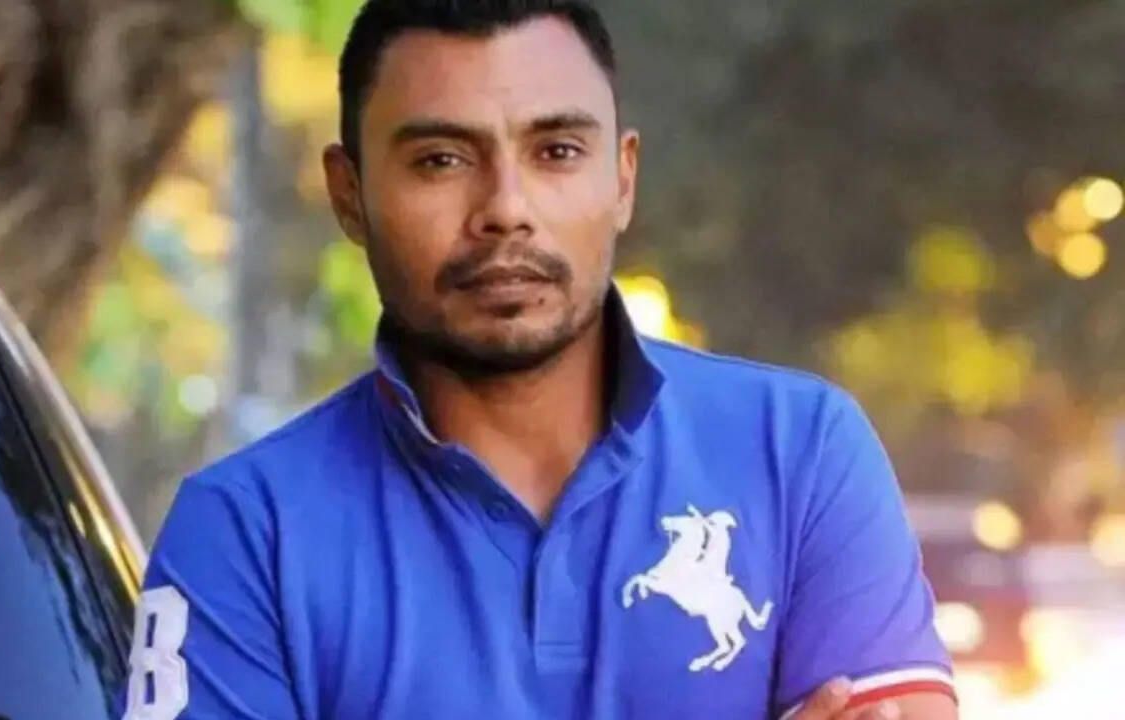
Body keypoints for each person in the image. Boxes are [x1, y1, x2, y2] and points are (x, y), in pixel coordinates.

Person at [121, 2, 957, 718]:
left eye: (556, 151)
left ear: (622, 178)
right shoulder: (244, 530)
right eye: (441, 160)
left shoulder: (799, 453)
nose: (506, 209)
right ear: (350, 194)